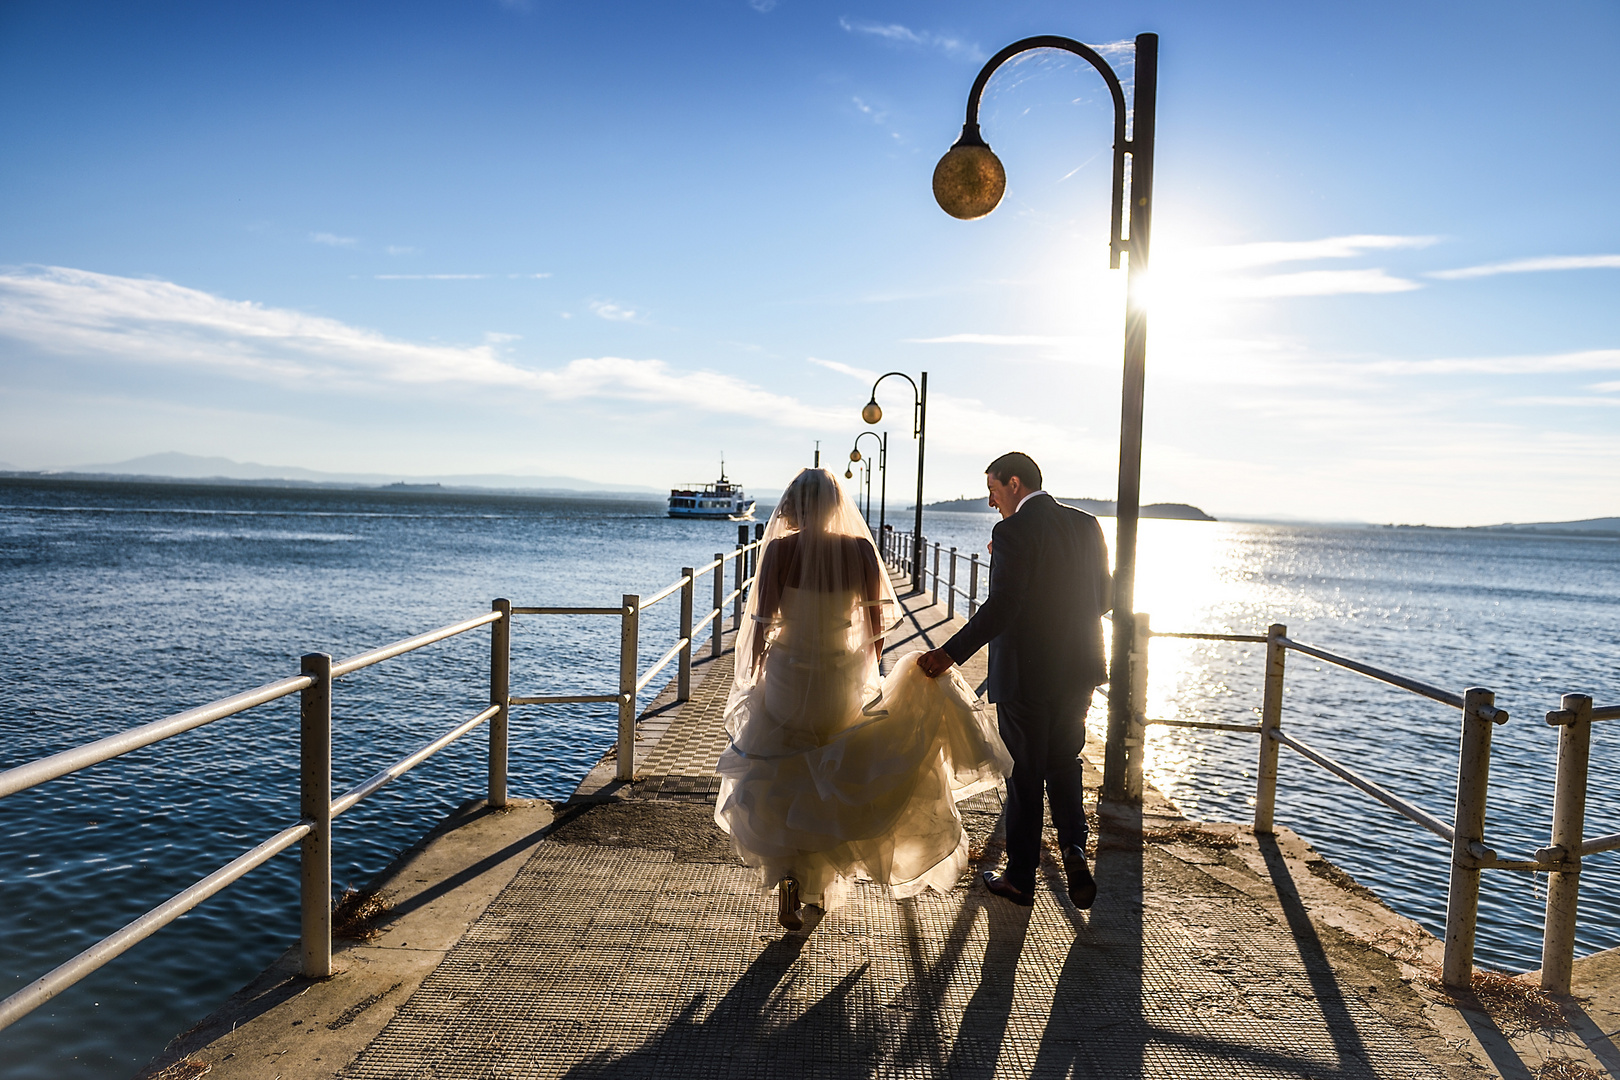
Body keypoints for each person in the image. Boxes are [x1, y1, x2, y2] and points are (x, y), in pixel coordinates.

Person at [715, 468, 1011, 930]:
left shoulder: (779, 550)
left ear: (794, 505)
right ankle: (816, 887)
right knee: (831, 776)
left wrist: (753, 673)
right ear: (837, 505)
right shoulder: (857, 550)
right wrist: (864, 673)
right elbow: (875, 630)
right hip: (839, 673)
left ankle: (791, 883)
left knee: (782, 770)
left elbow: (762, 619)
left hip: (789, 673)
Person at [917, 452, 1112, 910]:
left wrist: (949, 654)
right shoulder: (1087, 525)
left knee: (1023, 773)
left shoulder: (1012, 532)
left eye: (993, 489)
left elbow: (1003, 606)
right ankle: (1074, 849)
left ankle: (1021, 878)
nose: (990, 501)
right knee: (1064, 761)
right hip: (1078, 668)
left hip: (1026, 673)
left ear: (1015, 483)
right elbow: (1103, 596)